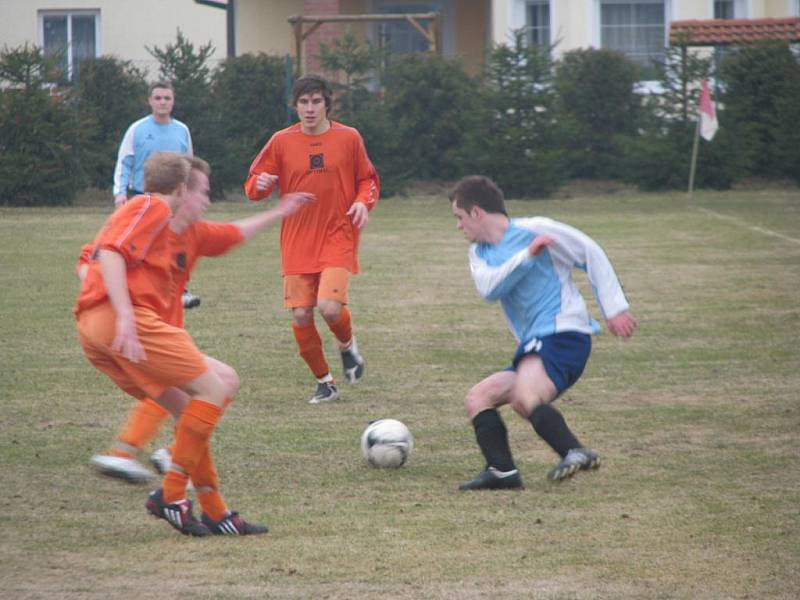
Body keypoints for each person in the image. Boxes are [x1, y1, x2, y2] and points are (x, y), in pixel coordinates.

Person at [76, 152, 312, 536]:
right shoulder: (151, 210)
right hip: (124, 327)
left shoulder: (194, 233)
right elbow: (99, 255)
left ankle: (215, 511)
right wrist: (121, 313)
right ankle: (170, 494)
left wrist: (282, 212)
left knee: (201, 401)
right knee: (215, 388)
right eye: (203, 191)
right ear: (182, 190)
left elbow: (236, 233)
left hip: (121, 334)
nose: (207, 200)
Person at [449, 175, 637, 490]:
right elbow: (489, 288)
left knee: (526, 396)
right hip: (535, 344)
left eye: (460, 217)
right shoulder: (479, 254)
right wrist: (527, 257)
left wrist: (615, 307)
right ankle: (502, 471)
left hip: (564, 333)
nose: (459, 226)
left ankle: (574, 451)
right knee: (479, 397)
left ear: (477, 213)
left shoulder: (536, 229)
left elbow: (590, 251)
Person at [244, 74, 380, 404]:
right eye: (303, 102)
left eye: (316, 101)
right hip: (296, 239)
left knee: (329, 308)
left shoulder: (349, 138)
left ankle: (347, 347)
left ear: (327, 104)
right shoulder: (280, 141)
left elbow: (368, 179)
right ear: (295, 106)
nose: (309, 108)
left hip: (338, 233)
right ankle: (325, 382)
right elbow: (253, 189)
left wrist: (363, 202)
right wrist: (261, 184)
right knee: (302, 315)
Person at [112, 80, 200, 310]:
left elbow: (189, 164)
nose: (162, 102)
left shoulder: (182, 130)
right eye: (158, 98)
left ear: (173, 101)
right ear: (150, 101)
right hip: (144, 196)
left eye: (167, 98)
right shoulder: (137, 129)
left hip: (174, 198)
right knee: (141, 244)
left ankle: (179, 290)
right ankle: (136, 290)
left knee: (175, 243)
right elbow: (125, 162)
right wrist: (119, 192)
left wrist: (189, 194)